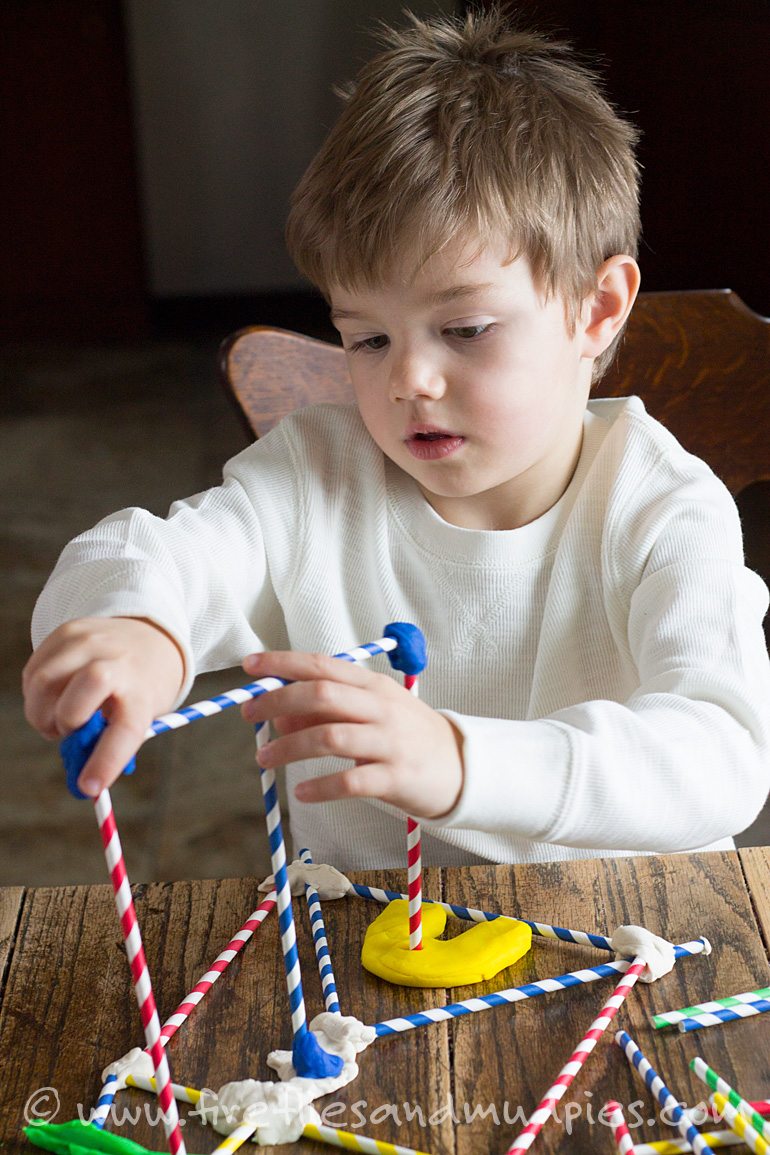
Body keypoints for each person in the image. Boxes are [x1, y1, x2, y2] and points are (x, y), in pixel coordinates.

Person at [23, 9, 770, 869]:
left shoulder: (663, 510)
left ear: (595, 309)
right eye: (368, 339)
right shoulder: (315, 480)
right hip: (367, 954)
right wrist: (139, 628)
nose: (407, 379)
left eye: (467, 329)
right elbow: (151, 554)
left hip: (631, 947)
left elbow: (722, 754)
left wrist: (458, 759)